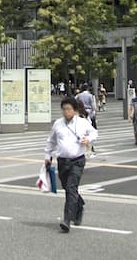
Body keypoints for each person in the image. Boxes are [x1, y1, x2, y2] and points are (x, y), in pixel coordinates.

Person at [44, 95, 97, 233]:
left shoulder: (82, 123)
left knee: (71, 188)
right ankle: (79, 205)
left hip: (77, 161)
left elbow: (94, 133)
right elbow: (51, 141)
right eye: (64, 109)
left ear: (74, 110)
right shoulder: (58, 124)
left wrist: (88, 139)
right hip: (62, 161)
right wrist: (47, 156)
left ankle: (67, 219)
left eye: (68, 109)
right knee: (68, 188)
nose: (66, 112)